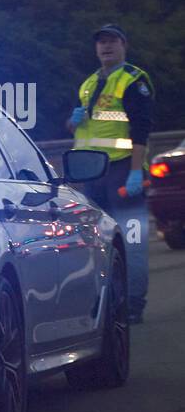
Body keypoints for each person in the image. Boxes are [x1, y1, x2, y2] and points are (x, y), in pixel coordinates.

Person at [66, 23, 154, 323]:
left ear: (123, 45)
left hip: (122, 169)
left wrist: (134, 172)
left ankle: (132, 306)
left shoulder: (132, 80)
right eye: (101, 42)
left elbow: (141, 128)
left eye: (112, 42)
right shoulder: (89, 83)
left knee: (132, 241)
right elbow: (80, 128)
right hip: (93, 173)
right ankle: (105, 305)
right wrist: (72, 121)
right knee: (97, 243)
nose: (106, 47)